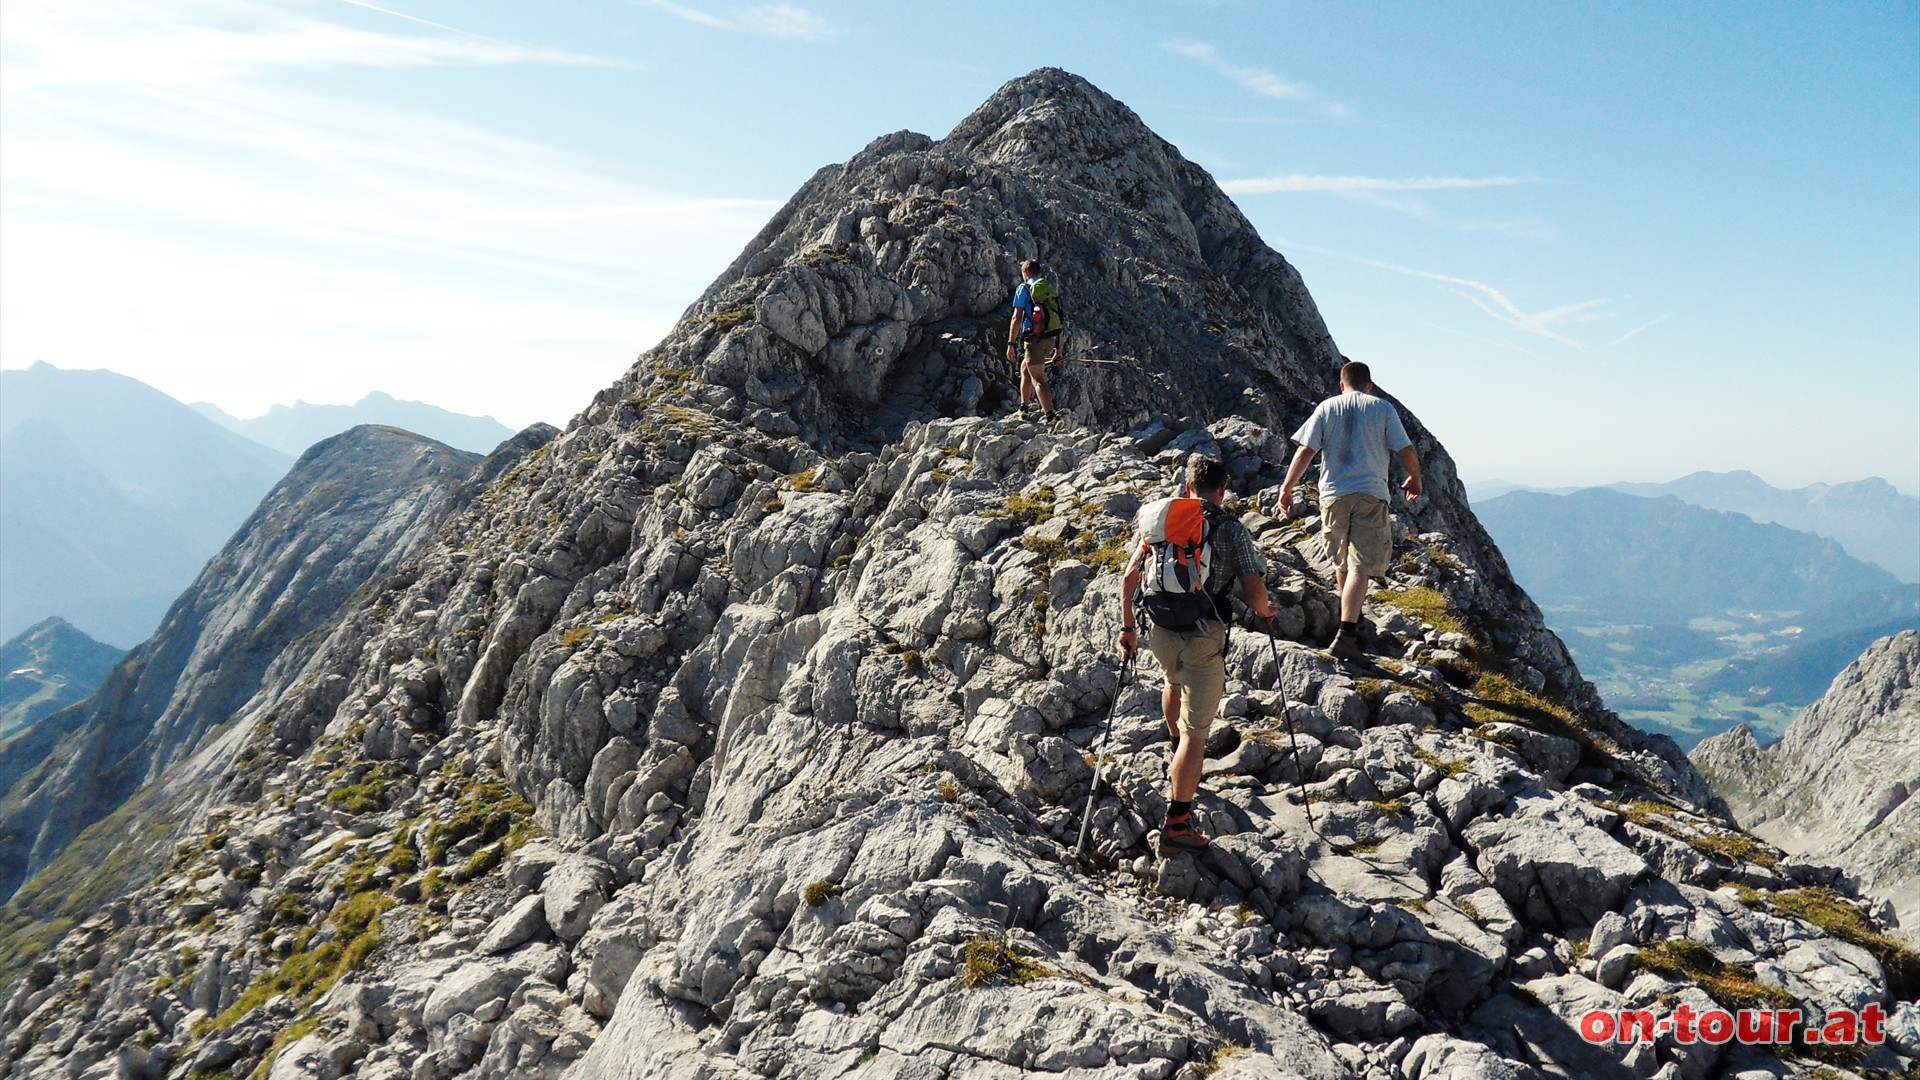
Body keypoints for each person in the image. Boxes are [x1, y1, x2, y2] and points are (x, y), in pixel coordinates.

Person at [1119, 457, 1278, 854]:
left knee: (1172, 683)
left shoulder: (1161, 521)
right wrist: (1267, 612)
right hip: (1204, 635)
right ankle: (1178, 825)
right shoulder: (1230, 528)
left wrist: (1128, 629)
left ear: (1187, 486)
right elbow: (1253, 587)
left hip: (1159, 630)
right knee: (1198, 732)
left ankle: (1174, 754)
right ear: (1222, 490)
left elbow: (1128, 579)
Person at [1278, 361, 1423, 661]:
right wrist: (1415, 477)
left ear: (1341, 385)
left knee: (1341, 560)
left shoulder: (1327, 408)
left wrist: (1287, 488)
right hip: (1371, 494)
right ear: (1369, 384)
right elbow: (1405, 450)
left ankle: (1351, 625)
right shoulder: (1382, 409)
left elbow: (1306, 450)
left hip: (1333, 495)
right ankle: (1347, 634)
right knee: (1362, 565)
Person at [1005, 259, 1064, 419]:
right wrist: (1059, 350)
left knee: (1038, 378)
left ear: (1025, 272)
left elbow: (1016, 318)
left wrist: (1010, 343)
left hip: (1034, 339)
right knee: (1025, 367)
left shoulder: (1024, 288)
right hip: (1051, 338)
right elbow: (1058, 318)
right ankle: (1023, 408)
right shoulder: (1048, 288)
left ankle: (1051, 417)